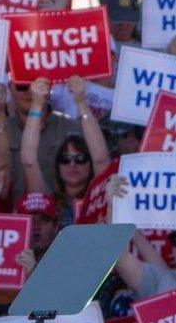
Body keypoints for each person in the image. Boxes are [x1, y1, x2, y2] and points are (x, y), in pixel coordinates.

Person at [20, 77, 112, 226]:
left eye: (80, 158)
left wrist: (81, 102)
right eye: (65, 159)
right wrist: (37, 105)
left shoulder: (99, 196)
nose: (72, 164)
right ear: (57, 165)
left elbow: (101, 158)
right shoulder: (47, 201)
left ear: (90, 164)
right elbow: (28, 160)